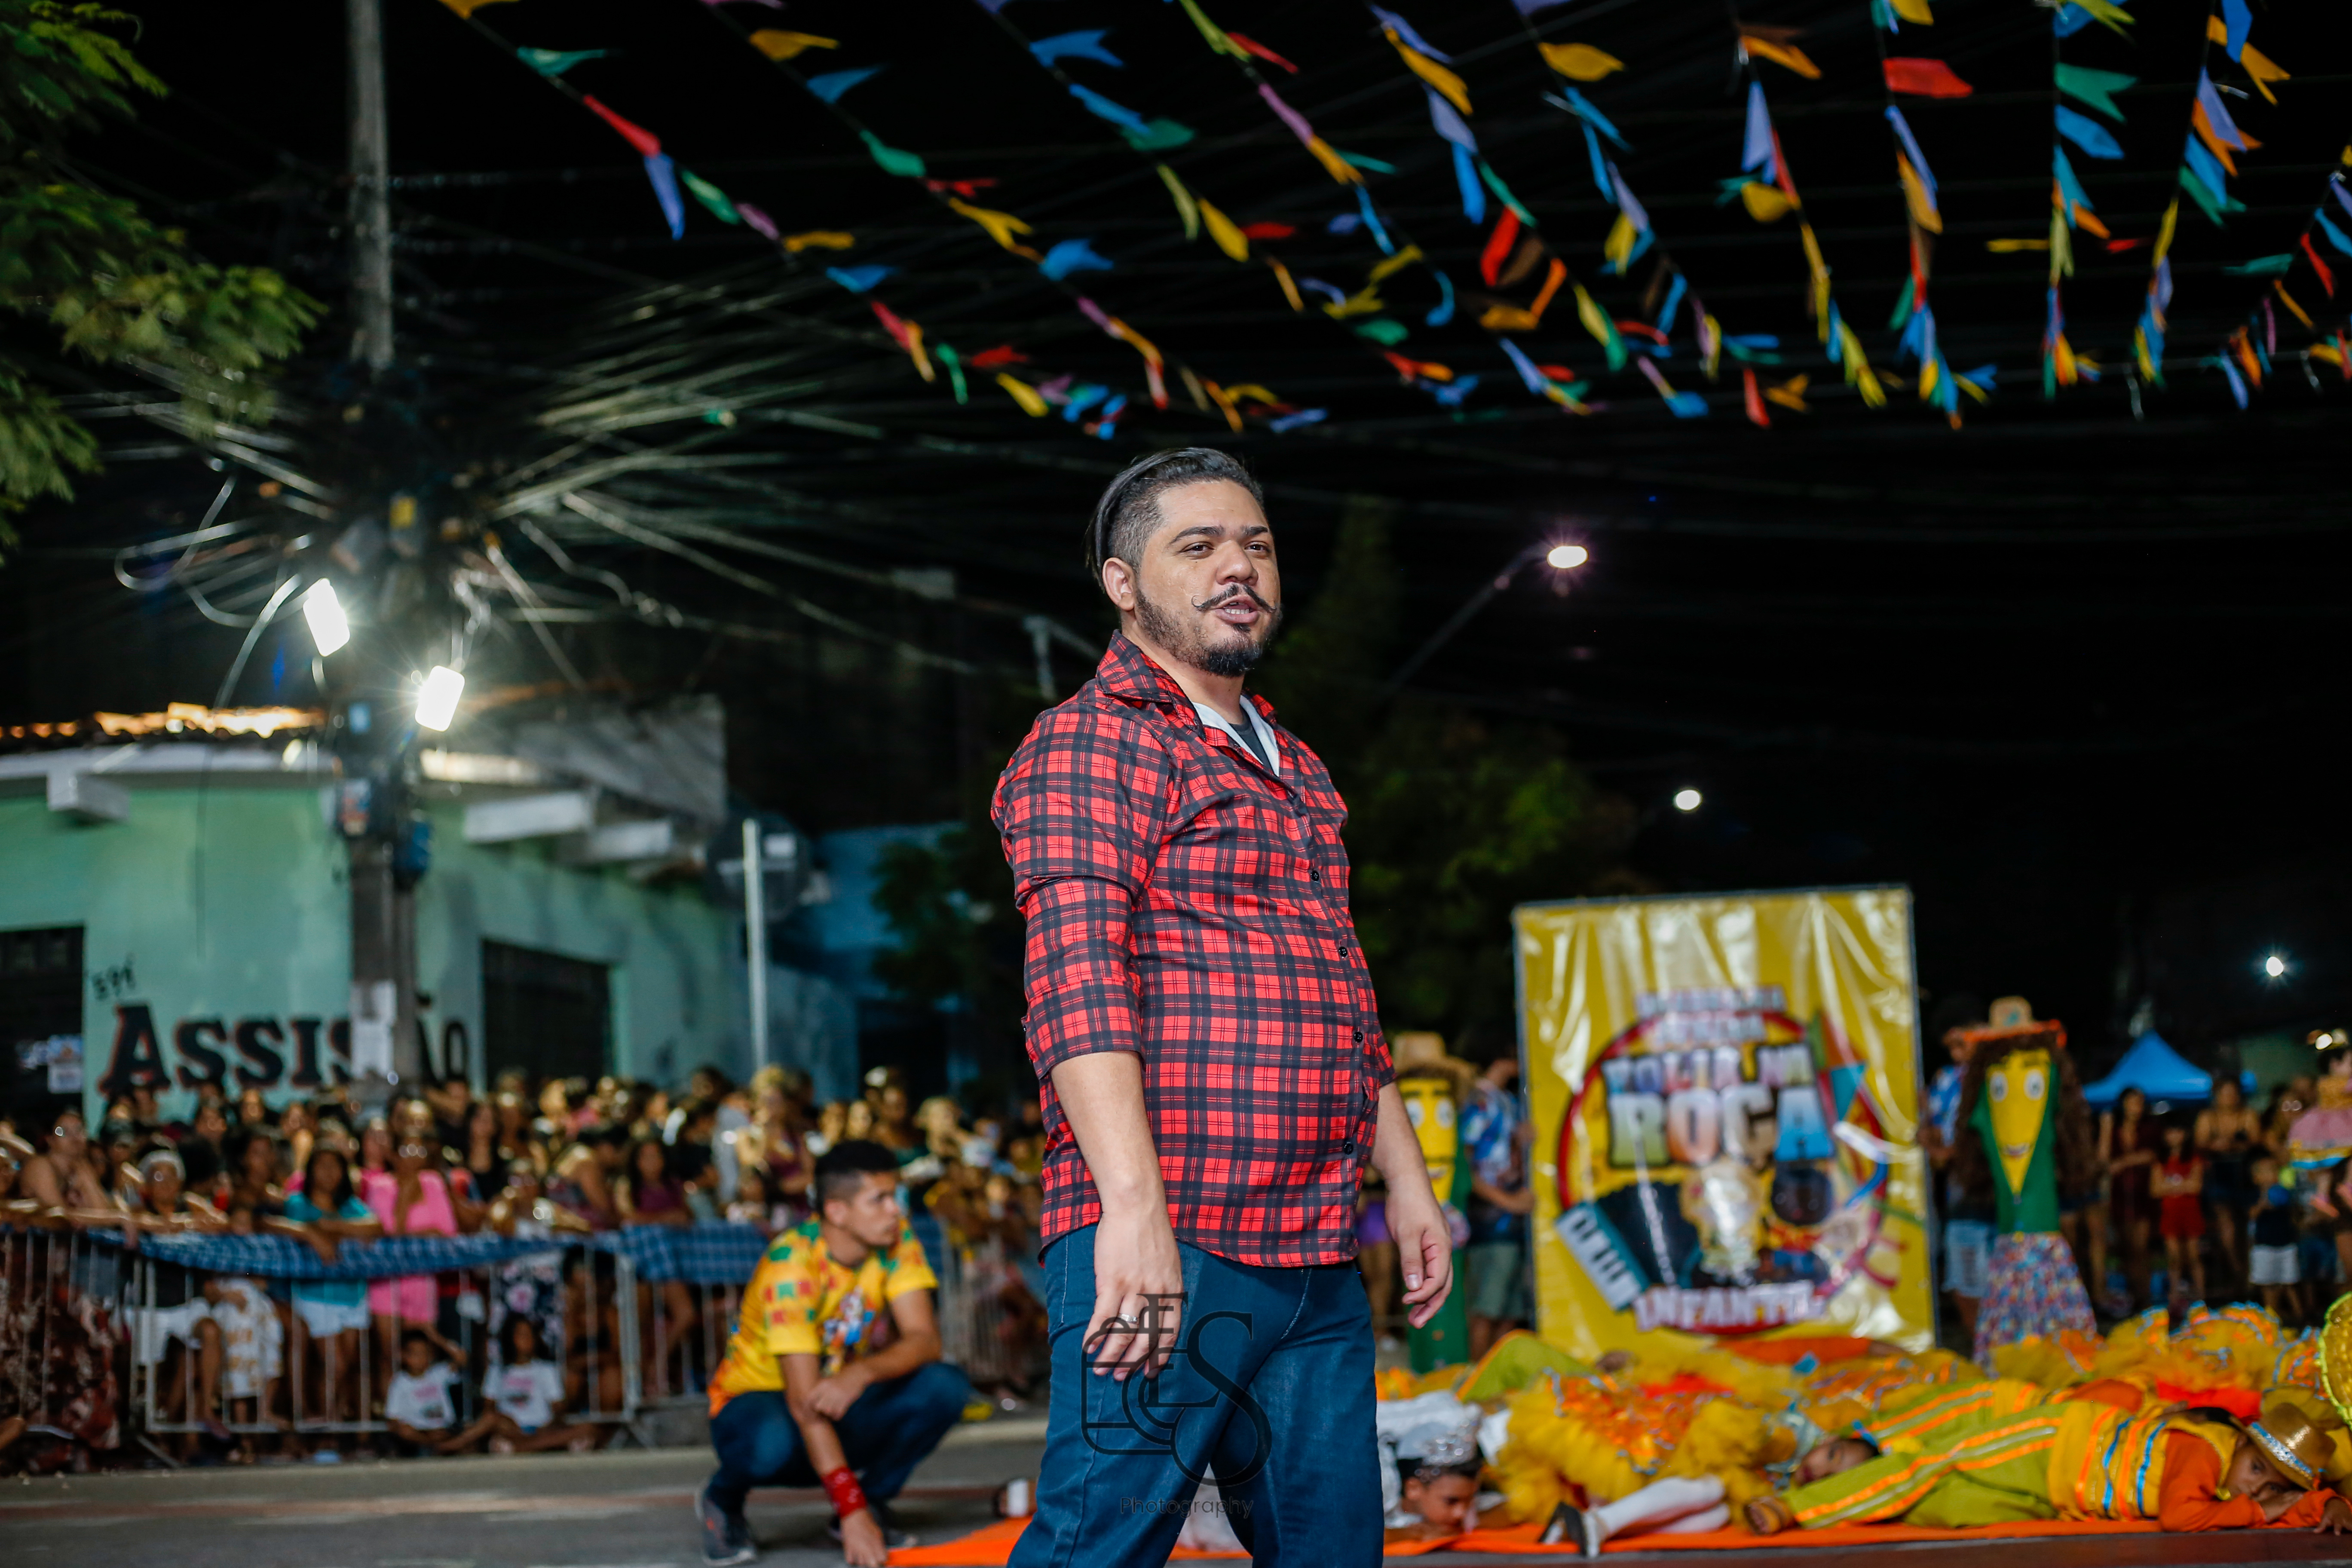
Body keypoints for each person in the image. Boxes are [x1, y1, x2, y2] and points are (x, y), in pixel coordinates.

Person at [990, 448, 1452, 1568]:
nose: (1237, 567)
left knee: (1334, 1548)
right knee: (1097, 1548)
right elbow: (1075, 979)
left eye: (1256, 545)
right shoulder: (1093, 740)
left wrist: (1406, 1178)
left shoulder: (1297, 767)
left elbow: (1344, 989)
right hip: (1176, 1235)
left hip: (1316, 1251)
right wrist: (1132, 1212)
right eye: (1196, 548)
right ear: (1123, 583)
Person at [698, 1139, 971, 1568]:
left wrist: (860, 1374)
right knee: (771, 1441)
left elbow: (924, 1340)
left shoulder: (896, 1240)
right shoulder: (792, 1265)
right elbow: (804, 1404)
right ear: (837, 1212)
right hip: (758, 1404)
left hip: (835, 1391)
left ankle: (873, 1501)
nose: (895, 1210)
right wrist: (849, 1508)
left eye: (896, 1196)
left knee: (944, 1385)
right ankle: (723, 1499)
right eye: (879, 1199)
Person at [1745, 1387, 2352, 1535]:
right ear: (2242, 1443)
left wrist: (2329, 1505)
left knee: (1951, 1506)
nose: (2256, 1488)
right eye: (2257, 1471)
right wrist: (2258, 1510)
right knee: (1929, 1464)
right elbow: (2181, 1518)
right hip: (2052, 1442)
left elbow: (2287, 1503)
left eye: (2270, 1484)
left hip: (2060, 1490)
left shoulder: (2237, 1478)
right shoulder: (2201, 1454)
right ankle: (1794, 1507)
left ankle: (1844, 1497)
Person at [282, 1145, 382, 1429]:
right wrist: (313, 1233)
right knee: (333, 1365)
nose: (329, 1172)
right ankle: (320, 1423)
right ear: (310, 1171)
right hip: (315, 1295)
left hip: (353, 1295)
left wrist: (329, 1227)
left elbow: (375, 1227)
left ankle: (333, 1423)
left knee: (346, 1367)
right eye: (322, 1165)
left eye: (335, 1166)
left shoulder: (350, 1205)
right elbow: (286, 1226)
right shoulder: (298, 1203)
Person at [1460, 1048, 1532, 1361]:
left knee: (1510, 1312)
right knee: (1486, 1309)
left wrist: (1521, 1141)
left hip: (1513, 1223)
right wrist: (1509, 1202)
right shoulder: (1479, 1101)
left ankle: (1498, 1378)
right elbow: (1466, 1168)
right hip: (1489, 1223)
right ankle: (1476, 1379)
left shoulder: (1508, 1100)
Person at [2196, 1078, 2261, 1291]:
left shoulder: (2248, 1115)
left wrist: (2233, 1145)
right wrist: (2217, 1146)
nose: (2229, 1098)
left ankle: (2251, 1274)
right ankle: (2237, 1271)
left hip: (2245, 1172)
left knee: (2248, 1224)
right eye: (2225, 1093)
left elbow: (2256, 1140)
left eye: (2233, 1093)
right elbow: (2200, 1143)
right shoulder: (2208, 1117)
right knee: (2227, 1224)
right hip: (2219, 1172)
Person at [2103, 1087, 2159, 1311]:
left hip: (2143, 1195)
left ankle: (2145, 1296)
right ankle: (2134, 1295)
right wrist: (2106, 1128)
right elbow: (2104, 1160)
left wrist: (2124, 1163)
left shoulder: (2150, 1129)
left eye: (2140, 1102)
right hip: (2120, 1196)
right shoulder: (2114, 1130)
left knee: (2141, 1248)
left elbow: (2152, 1155)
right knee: (2126, 1249)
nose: (2137, 1106)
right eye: (2132, 1101)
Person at [383, 1329, 465, 1454]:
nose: (421, 1358)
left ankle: (443, 1446)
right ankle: (438, 1446)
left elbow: (462, 1358)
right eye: (416, 1354)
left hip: (444, 1428)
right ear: (404, 1356)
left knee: (466, 1428)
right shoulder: (400, 1382)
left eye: (425, 1353)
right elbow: (392, 1417)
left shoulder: (438, 1373)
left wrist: (437, 1338)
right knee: (404, 1431)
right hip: (420, 1433)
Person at [2155, 1120, 2208, 1306]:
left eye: (2178, 1131)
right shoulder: (2161, 1160)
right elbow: (2155, 1189)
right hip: (2170, 1214)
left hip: (2190, 1212)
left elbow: (2196, 1186)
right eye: (2171, 1132)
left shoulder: (2194, 1158)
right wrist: (2184, 1185)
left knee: (2194, 1256)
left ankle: (2201, 1296)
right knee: (2174, 1258)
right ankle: (2174, 1297)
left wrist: (2169, 1186)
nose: (2175, 1136)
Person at [2250, 1156, 2305, 1323]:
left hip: (2286, 1244)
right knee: (2268, 1285)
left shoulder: (2285, 1193)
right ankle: (2271, 1317)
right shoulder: (2254, 1195)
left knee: (2290, 1282)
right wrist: (2264, 1199)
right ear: (2256, 1178)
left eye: (2274, 1171)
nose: (2271, 1176)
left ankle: (2300, 1317)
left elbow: (2295, 1213)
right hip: (2264, 1246)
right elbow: (2252, 1215)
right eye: (2265, 1172)